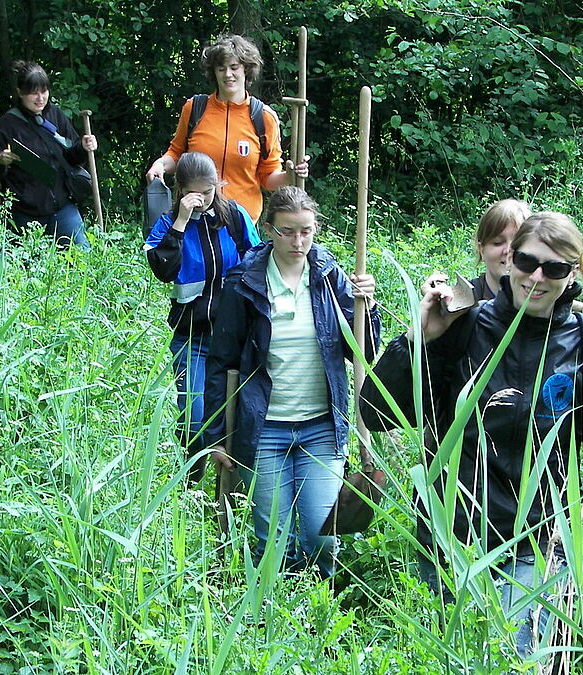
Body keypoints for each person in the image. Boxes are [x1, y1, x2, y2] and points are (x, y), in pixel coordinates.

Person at [360, 212, 583, 656]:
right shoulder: (466, 325)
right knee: (455, 658)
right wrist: (420, 339)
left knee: (516, 658)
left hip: (539, 538)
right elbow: (375, 412)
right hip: (452, 533)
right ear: (509, 261)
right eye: (528, 262)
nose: (538, 277)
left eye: (556, 268)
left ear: (573, 275)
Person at [201, 186, 380, 578]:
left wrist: (368, 306)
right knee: (272, 538)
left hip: (321, 426)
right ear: (269, 229)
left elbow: (361, 349)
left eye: (306, 231)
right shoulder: (244, 283)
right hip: (262, 428)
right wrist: (215, 436)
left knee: (322, 536)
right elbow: (222, 361)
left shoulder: (331, 277)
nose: (298, 241)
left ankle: (319, 613)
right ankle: (271, 615)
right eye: (287, 231)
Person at [144, 152, 262, 480]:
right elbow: (163, 269)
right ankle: (191, 485)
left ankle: (235, 491)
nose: (201, 200)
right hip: (192, 336)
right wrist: (181, 222)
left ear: (217, 187)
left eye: (207, 193)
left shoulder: (236, 218)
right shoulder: (167, 225)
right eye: (192, 193)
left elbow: (257, 263)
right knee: (195, 418)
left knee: (240, 417)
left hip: (235, 337)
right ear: (179, 191)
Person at [145, 34, 309, 222]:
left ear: (246, 70)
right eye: (221, 68)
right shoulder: (195, 109)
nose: (228, 74)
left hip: (241, 224)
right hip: (194, 218)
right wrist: (160, 165)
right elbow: (176, 153)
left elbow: (268, 178)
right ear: (213, 72)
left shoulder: (264, 117)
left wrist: (290, 175)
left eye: (234, 67)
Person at [0, 60, 98, 250]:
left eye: (44, 91)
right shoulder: (7, 124)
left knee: (81, 258)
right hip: (24, 213)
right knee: (29, 270)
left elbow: (72, 156)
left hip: (63, 207)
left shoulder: (55, 115)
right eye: (33, 92)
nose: (40, 98)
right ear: (20, 92)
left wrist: (84, 147)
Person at [471, 199, 531, 301]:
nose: (508, 250)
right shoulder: (464, 300)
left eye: (517, 243)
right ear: (482, 250)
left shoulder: (542, 299)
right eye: (498, 242)